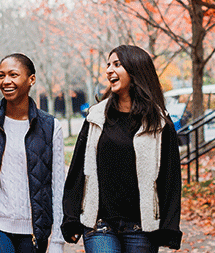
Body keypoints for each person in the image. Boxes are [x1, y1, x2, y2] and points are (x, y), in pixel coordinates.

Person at [61, 45, 184, 252]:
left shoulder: (159, 122)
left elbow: (170, 179)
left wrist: (169, 227)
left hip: (142, 228)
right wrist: (71, 217)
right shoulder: (95, 117)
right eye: (108, 64)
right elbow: (77, 171)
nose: (109, 70)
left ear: (136, 70)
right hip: (99, 225)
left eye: (117, 64)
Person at [0, 53, 66, 253]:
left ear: (31, 79)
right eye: (1, 76)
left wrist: (57, 242)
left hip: (35, 230)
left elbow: (58, 186)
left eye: (13, 75)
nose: (6, 81)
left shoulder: (51, 127)